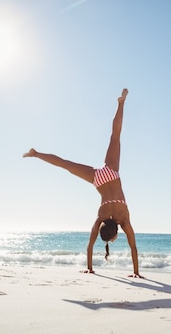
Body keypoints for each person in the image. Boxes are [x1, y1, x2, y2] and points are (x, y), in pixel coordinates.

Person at [23, 88, 142, 278]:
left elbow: (133, 247)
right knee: (67, 164)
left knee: (115, 136)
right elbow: (90, 246)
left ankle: (121, 104)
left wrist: (136, 272)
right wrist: (90, 267)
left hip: (109, 173)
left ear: (114, 233)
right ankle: (36, 153)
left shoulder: (124, 221)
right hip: (99, 178)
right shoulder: (101, 218)